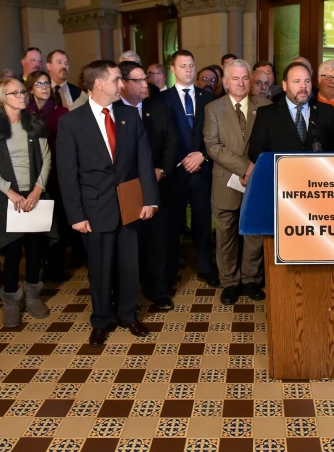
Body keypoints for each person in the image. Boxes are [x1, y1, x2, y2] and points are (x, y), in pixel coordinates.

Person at [57, 60, 159, 346]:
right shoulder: (71, 122)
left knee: (129, 265)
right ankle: (101, 319)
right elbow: (67, 173)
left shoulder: (129, 116)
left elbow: (144, 159)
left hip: (129, 205)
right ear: (99, 83)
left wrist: (150, 199)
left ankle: (128, 315)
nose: (122, 85)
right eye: (116, 80)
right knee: (100, 268)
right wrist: (76, 214)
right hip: (94, 208)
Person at [0, 78, 57, 327]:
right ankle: (11, 300)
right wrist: (10, 192)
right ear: (3, 98)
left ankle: (33, 295)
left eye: (23, 91)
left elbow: (46, 159)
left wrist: (38, 189)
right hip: (8, 197)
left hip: (35, 193)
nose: (23, 95)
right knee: (12, 252)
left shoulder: (34, 122)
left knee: (35, 249)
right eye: (16, 92)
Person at [204, 59, 271, 305]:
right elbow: (213, 146)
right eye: (236, 78)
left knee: (253, 232)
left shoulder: (265, 105)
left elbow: (270, 142)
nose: (241, 83)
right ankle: (230, 282)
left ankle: (251, 279)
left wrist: (256, 170)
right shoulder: (213, 109)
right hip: (226, 181)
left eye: (245, 78)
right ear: (225, 81)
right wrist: (246, 167)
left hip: (258, 182)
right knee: (226, 234)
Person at [118, 60, 177, 309]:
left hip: (158, 185)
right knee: (129, 245)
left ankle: (158, 291)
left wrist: (161, 170)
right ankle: (126, 295)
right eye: (139, 80)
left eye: (147, 78)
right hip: (125, 189)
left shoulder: (159, 107)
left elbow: (172, 143)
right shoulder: (113, 112)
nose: (146, 83)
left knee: (158, 242)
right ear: (122, 85)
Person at [159, 50, 217, 289]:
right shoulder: (162, 100)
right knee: (172, 225)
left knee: (203, 223)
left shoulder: (208, 99)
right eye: (183, 66)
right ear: (173, 70)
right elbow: (160, 137)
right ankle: (171, 271)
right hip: (174, 173)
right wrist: (178, 160)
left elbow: (215, 134)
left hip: (201, 170)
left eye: (192, 65)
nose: (189, 70)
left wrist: (201, 155)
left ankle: (205, 268)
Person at [248, 61, 334, 162]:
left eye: (307, 81)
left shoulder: (326, 111)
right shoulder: (266, 114)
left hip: (318, 176)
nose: (303, 86)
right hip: (281, 175)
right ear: (285, 85)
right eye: (297, 81)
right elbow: (255, 151)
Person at [26, 70, 71, 282]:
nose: (44, 87)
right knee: (38, 220)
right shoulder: (25, 113)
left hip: (58, 172)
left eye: (47, 83)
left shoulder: (61, 112)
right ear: (30, 88)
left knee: (59, 219)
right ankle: (41, 263)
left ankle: (57, 266)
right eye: (39, 84)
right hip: (33, 172)